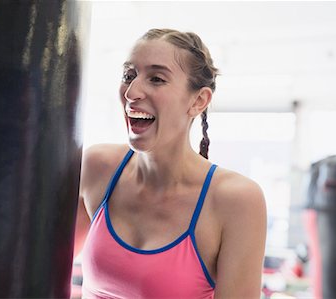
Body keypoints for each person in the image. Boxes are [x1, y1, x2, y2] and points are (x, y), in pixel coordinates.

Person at [74, 28, 267, 299]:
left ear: (198, 101)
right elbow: (36, 266)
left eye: (156, 79)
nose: (131, 92)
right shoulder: (97, 168)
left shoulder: (235, 200)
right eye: (129, 76)